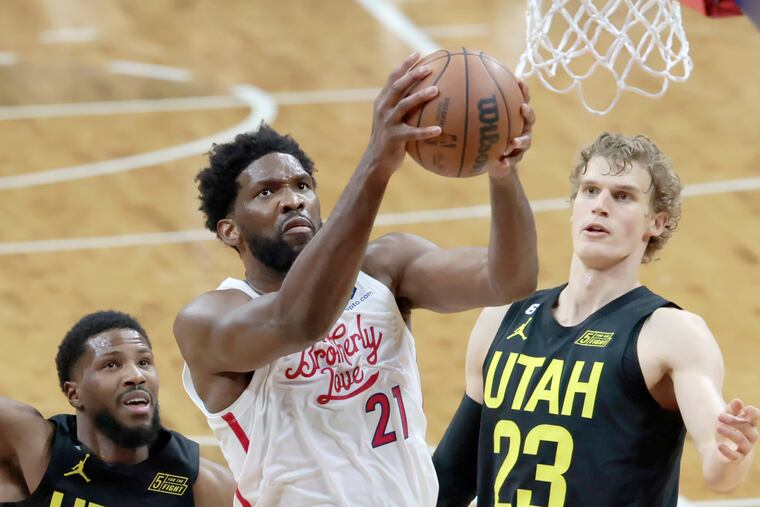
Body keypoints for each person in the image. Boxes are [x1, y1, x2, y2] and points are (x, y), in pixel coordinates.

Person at [173, 52, 538, 506]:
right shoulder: (209, 319)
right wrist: (377, 164)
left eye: (302, 186)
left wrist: (502, 175)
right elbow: (299, 321)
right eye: (267, 192)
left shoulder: (386, 267)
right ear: (230, 230)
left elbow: (510, 281)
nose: (292, 201)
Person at [433, 133, 759, 506]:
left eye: (622, 196)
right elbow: (452, 475)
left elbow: (718, 465)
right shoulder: (502, 318)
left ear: (656, 221)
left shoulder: (669, 332)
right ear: (574, 206)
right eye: (590, 191)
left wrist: (734, 450)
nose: (600, 206)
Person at [0, 310, 235, 506]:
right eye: (111, 364)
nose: (136, 375)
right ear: (74, 393)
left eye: (144, 362)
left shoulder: (204, 485)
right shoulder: (32, 444)